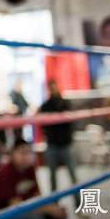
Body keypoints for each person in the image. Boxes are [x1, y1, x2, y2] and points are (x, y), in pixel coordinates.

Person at [38, 79, 80, 207]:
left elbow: (71, 121)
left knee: (73, 176)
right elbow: (42, 123)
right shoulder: (46, 105)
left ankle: (78, 205)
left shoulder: (65, 103)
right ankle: (55, 204)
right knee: (52, 177)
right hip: (53, 144)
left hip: (66, 143)